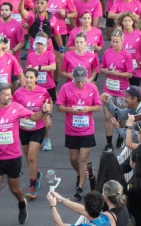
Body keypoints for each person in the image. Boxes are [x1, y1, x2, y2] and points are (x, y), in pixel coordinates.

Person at [0, 82, 50, 225]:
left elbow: (35, 118)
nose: (10, 96)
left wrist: (43, 111)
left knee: (15, 189)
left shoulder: (16, 108)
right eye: (6, 94)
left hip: (13, 157)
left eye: (10, 93)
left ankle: (21, 203)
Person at [57, 66, 102, 200]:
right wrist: (71, 110)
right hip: (71, 129)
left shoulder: (92, 88)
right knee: (73, 158)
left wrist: (87, 108)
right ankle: (81, 174)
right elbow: (59, 107)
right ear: (73, 78)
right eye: (78, 81)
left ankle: (80, 187)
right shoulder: (65, 88)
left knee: (83, 158)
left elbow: (98, 107)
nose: (81, 83)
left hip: (87, 129)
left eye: (83, 81)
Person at [13, 68, 53, 200]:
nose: (29, 80)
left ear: (36, 79)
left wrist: (48, 116)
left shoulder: (42, 91)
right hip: (23, 129)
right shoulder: (18, 93)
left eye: (31, 77)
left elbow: (49, 103)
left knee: (31, 157)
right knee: (29, 158)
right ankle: (36, 174)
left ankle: (33, 185)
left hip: (38, 128)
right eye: (27, 77)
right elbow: (13, 109)